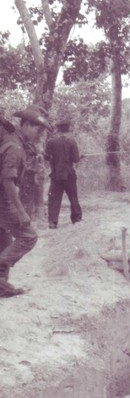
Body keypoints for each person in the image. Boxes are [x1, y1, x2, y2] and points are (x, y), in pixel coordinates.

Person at [0, 105, 52, 297]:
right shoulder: (14, 147)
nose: (40, 134)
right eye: (38, 129)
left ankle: (2, 288)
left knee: (4, 243)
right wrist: (21, 212)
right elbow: (7, 180)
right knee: (28, 237)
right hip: (2, 201)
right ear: (27, 125)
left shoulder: (14, 143)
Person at [45, 119, 82, 229]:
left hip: (56, 175)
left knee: (54, 198)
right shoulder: (72, 141)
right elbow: (75, 159)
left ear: (57, 129)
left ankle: (52, 222)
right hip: (69, 174)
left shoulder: (50, 142)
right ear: (68, 128)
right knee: (73, 196)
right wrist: (80, 157)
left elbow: (46, 157)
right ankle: (77, 219)